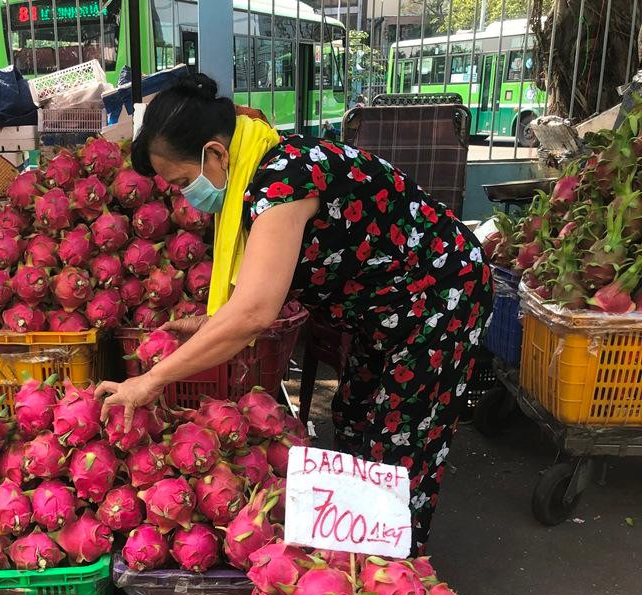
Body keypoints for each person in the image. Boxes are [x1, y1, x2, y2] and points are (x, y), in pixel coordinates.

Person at [96, 74, 491, 555]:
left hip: (440, 297)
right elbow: (257, 291)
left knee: (400, 440)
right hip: (383, 309)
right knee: (353, 415)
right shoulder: (255, 169)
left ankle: (397, 569)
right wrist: (212, 323)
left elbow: (256, 311)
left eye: (183, 182)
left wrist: (150, 380)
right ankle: (356, 545)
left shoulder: (284, 181)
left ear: (216, 154)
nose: (185, 197)